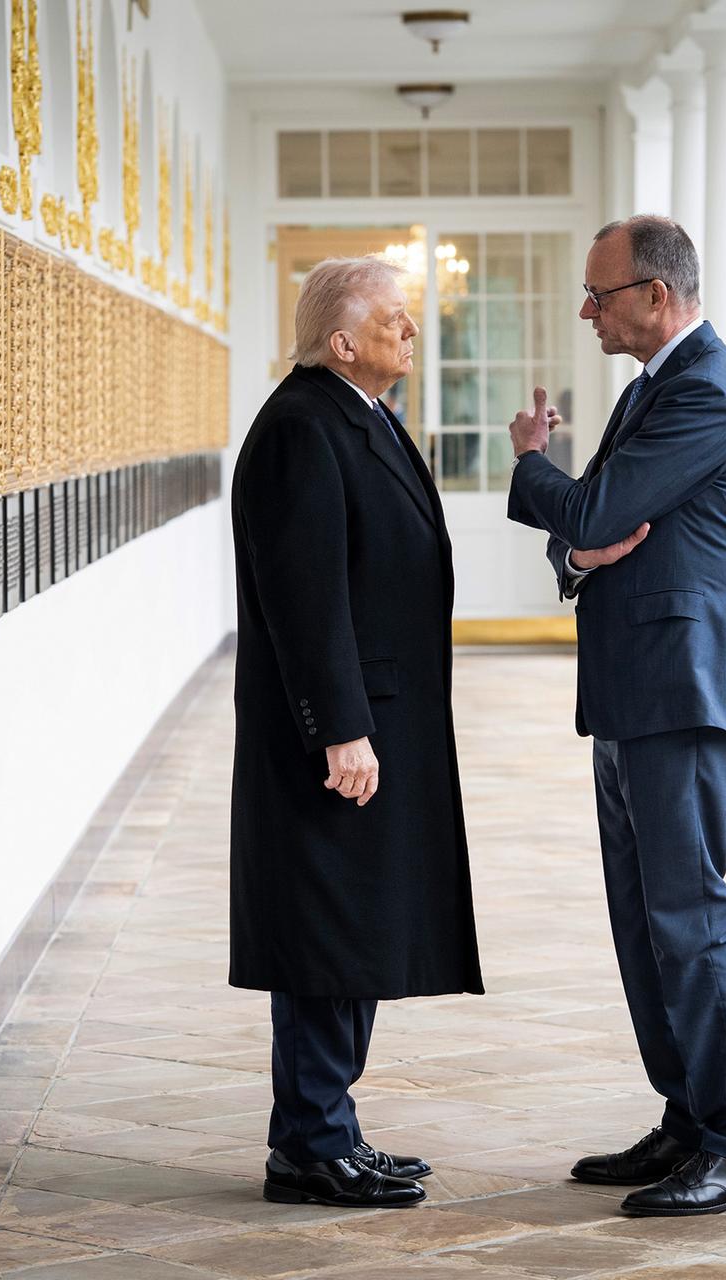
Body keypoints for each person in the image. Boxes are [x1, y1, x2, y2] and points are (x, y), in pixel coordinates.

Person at [507, 215, 726, 1217]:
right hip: (633, 687)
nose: (587, 310)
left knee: (688, 917)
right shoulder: (652, 387)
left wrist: (532, 462)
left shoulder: (702, 389)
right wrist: (577, 548)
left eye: (600, 294)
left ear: (656, 294)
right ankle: (686, 1115)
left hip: (682, 687)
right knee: (642, 919)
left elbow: (587, 509)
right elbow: (587, 537)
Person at [229, 256, 483, 1210]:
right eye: (394, 319)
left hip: (381, 719)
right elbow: (306, 599)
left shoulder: (357, 414)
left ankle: (327, 1129)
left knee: (354, 927)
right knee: (326, 932)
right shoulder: (303, 426)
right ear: (342, 341)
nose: (412, 330)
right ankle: (308, 1144)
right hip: (341, 735)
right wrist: (340, 730)